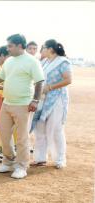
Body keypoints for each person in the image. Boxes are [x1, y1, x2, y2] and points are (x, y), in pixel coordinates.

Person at [0, 34, 44, 179]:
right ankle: (8, 161)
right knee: (4, 135)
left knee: (22, 137)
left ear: (20, 46)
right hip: (6, 104)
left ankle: (21, 166)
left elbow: (39, 82)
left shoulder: (32, 62)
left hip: (23, 104)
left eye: (10, 46)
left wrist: (35, 101)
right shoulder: (9, 61)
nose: (8, 49)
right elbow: (0, 77)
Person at [31, 39, 72, 169]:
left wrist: (50, 87)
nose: (41, 50)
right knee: (40, 128)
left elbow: (68, 80)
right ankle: (40, 158)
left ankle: (60, 159)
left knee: (55, 129)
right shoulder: (44, 62)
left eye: (43, 48)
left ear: (50, 49)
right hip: (43, 99)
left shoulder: (63, 62)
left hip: (57, 99)